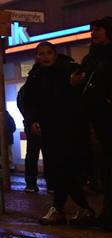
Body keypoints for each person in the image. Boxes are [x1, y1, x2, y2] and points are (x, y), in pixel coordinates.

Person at [19, 41, 94, 225]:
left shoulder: (68, 70)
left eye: (48, 53)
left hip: (69, 128)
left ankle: (67, 209)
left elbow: (75, 98)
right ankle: (77, 208)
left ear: (55, 54)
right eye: (41, 54)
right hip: (49, 129)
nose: (45, 57)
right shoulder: (35, 75)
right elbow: (26, 100)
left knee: (63, 168)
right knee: (60, 170)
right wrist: (32, 119)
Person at [73, 17, 112, 230]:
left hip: (106, 115)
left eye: (99, 29)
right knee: (104, 167)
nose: (94, 33)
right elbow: (81, 80)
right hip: (96, 118)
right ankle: (108, 213)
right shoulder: (91, 58)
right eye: (92, 29)